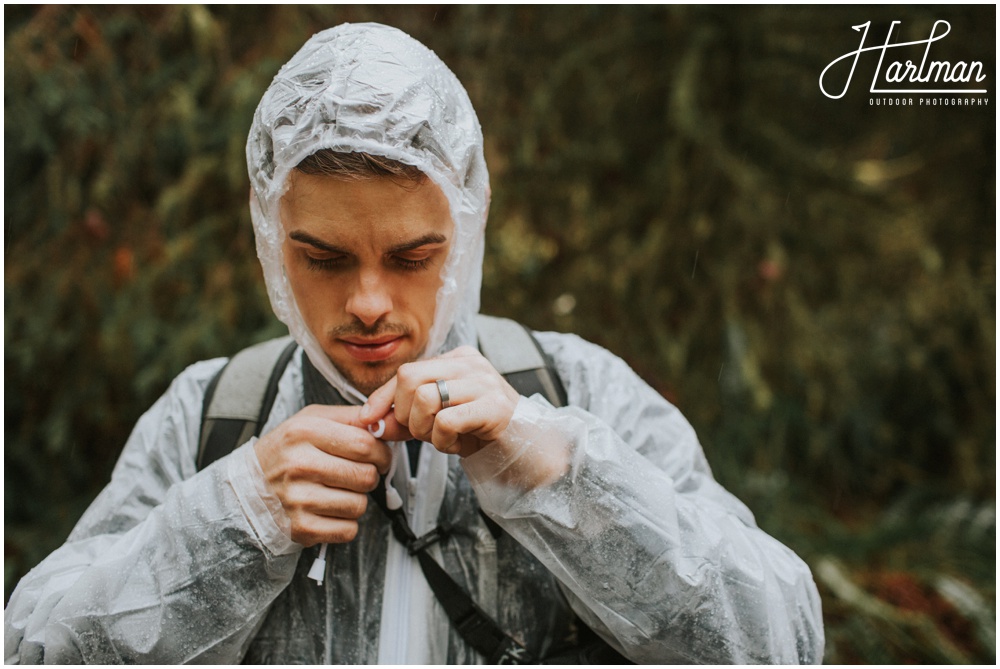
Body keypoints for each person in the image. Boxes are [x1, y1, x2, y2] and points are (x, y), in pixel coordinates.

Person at [4, 23, 824, 664]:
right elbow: (36, 652)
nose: (367, 302)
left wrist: (560, 480)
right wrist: (233, 520)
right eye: (322, 257)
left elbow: (780, 643)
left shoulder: (577, 389)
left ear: (464, 234)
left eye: (412, 257)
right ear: (270, 236)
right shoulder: (209, 417)